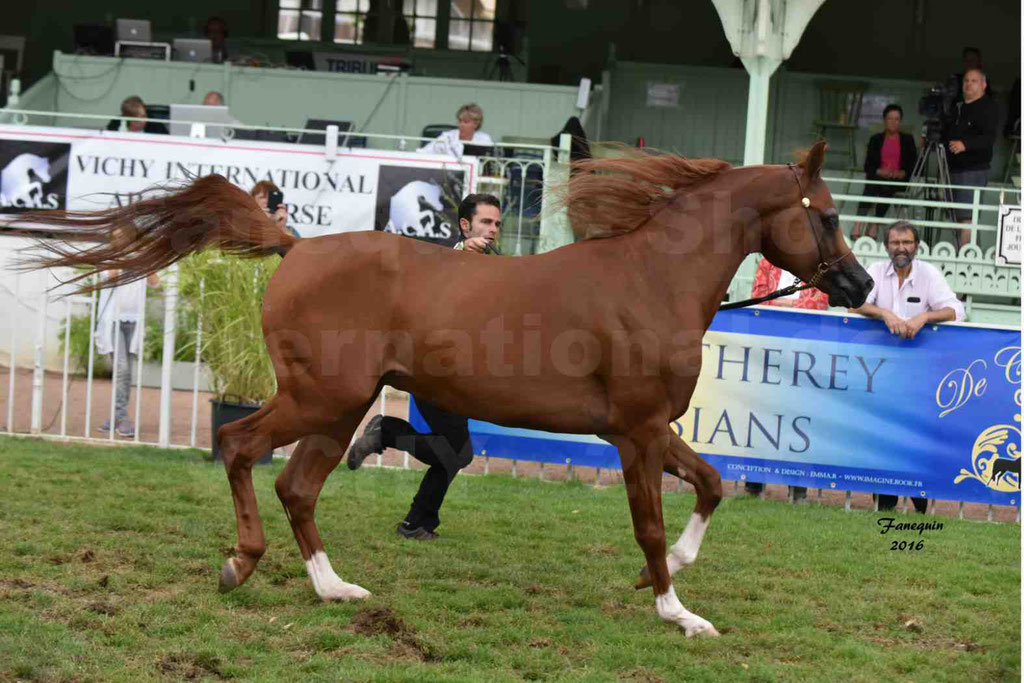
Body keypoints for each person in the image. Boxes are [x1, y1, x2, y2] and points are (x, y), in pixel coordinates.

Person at [346, 194, 502, 540]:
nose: (492, 231)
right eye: (486, 223)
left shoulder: (498, 264)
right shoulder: (439, 258)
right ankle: (415, 510)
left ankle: (417, 520)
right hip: (432, 367)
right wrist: (461, 255)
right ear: (465, 226)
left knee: (455, 452)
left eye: (497, 224)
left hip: (463, 373)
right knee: (458, 452)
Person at [851, 220, 965, 513]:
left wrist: (924, 317)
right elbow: (855, 304)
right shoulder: (875, 271)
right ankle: (885, 504)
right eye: (895, 243)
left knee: (915, 436)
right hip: (879, 371)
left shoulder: (929, 274)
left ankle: (920, 503)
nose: (901, 248)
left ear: (916, 246)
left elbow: (957, 310)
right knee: (883, 435)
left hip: (920, 375)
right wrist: (885, 313)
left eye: (907, 242)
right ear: (886, 246)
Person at [743, 257, 828, 501]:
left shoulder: (817, 265)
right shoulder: (767, 262)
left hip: (804, 349)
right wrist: (785, 306)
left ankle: (797, 487)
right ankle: (754, 483)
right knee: (760, 414)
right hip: (768, 347)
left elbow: (819, 302)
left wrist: (781, 306)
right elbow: (758, 295)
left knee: (798, 417)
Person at [95, 228, 160, 437]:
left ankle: (115, 417)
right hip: (113, 321)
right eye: (117, 237)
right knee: (122, 368)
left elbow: (155, 283)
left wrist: (145, 259)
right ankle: (122, 417)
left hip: (134, 321)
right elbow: (111, 275)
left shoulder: (141, 258)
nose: (121, 240)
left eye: (125, 236)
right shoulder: (109, 257)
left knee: (126, 371)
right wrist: (126, 258)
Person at [945, 67, 999, 249]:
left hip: (973, 169)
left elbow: (989, 138)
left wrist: (965, 144)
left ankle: (962, 259)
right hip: (952, 168)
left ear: (983, 85)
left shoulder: (988, 107)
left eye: (974, 81)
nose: (968, 84)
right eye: (966, 81)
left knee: (967, 216)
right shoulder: (958, 107)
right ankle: (961, 253)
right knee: (955, 217)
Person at [851, 104, 918, 241]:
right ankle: (858, 223)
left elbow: (913, 164)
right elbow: (868, 165)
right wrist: (879, 171)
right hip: (878, 177)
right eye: (890, 119)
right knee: (872, 186)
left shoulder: (907, 140)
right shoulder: (875, 139)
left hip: (897, 180)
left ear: (900, 121)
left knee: (887, 187)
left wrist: (902, 173)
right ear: (884, 120)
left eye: (897, 119)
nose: (893, 122)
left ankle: (875, 224)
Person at [418, 103, 494, 157]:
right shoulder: (447, 137)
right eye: (460, 121)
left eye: (465, 122)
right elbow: (423, 153)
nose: (461, 124)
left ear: (476, 124)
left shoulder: (484, 139)